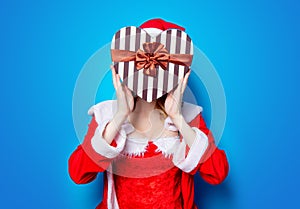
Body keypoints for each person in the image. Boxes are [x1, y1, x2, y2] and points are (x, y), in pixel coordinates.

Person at [68, 19, 229, 209]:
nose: (150, 73)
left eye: (159, 68)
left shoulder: (189, 116)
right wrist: (120, 115)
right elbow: (78, 174)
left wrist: (178, 118)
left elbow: (218, 173)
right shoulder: (106, 116)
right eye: (142, 67)